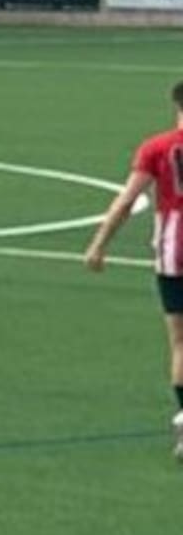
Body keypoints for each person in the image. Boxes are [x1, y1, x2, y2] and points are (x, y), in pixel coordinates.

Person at [84, 81, 183, 461]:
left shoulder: (157, 147)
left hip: (174, 253)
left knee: (179, 342)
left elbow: (126, 201)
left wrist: (99, 244)